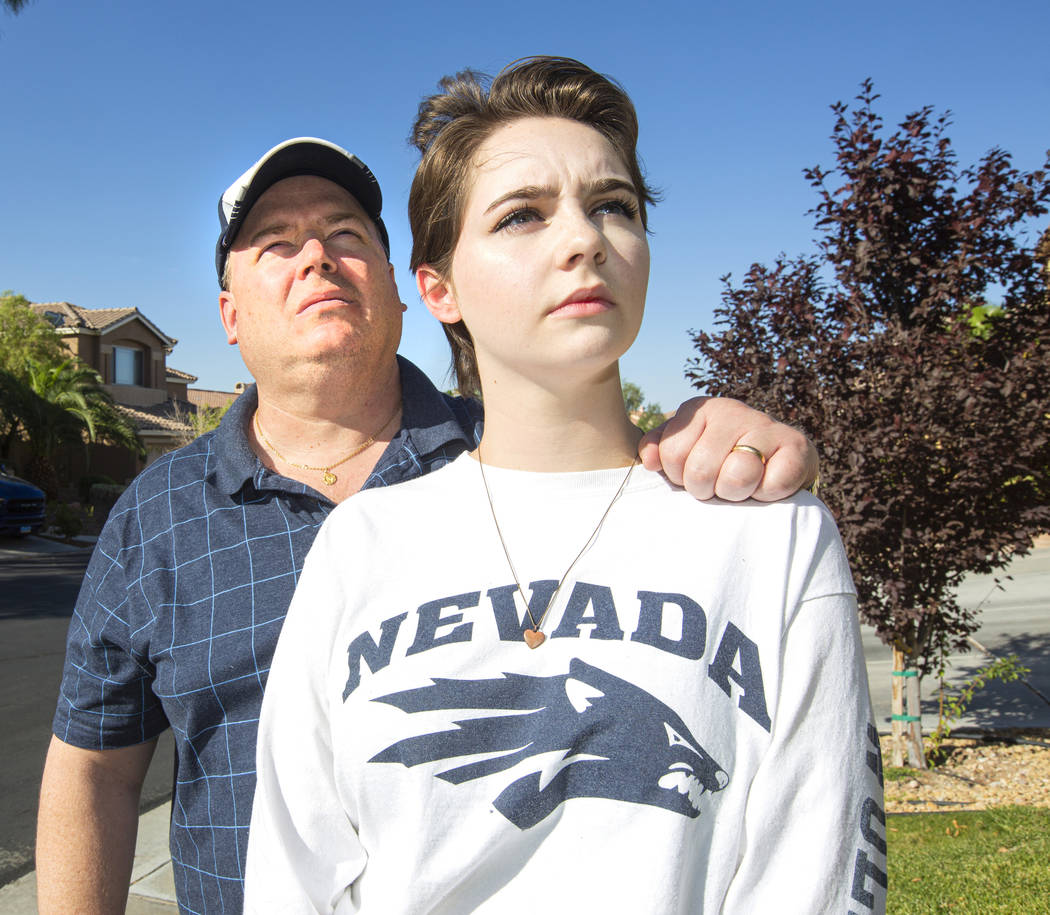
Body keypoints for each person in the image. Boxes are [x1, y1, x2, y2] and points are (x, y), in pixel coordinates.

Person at [34, 130, 818, 914]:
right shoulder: (156, 515)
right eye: (276, 244)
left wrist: (720, 440)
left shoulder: (525, 452)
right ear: (229, 315)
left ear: (403, 287)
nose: (316, 258)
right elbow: (94, 768)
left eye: (346, 236)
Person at [244, 57, 886, 915]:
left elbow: (818, 874)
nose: (584, 239)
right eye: (522, 216)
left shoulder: (772, 534)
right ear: (439, 288)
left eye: (614, 205)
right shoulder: (361, 546)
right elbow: (294, 876)